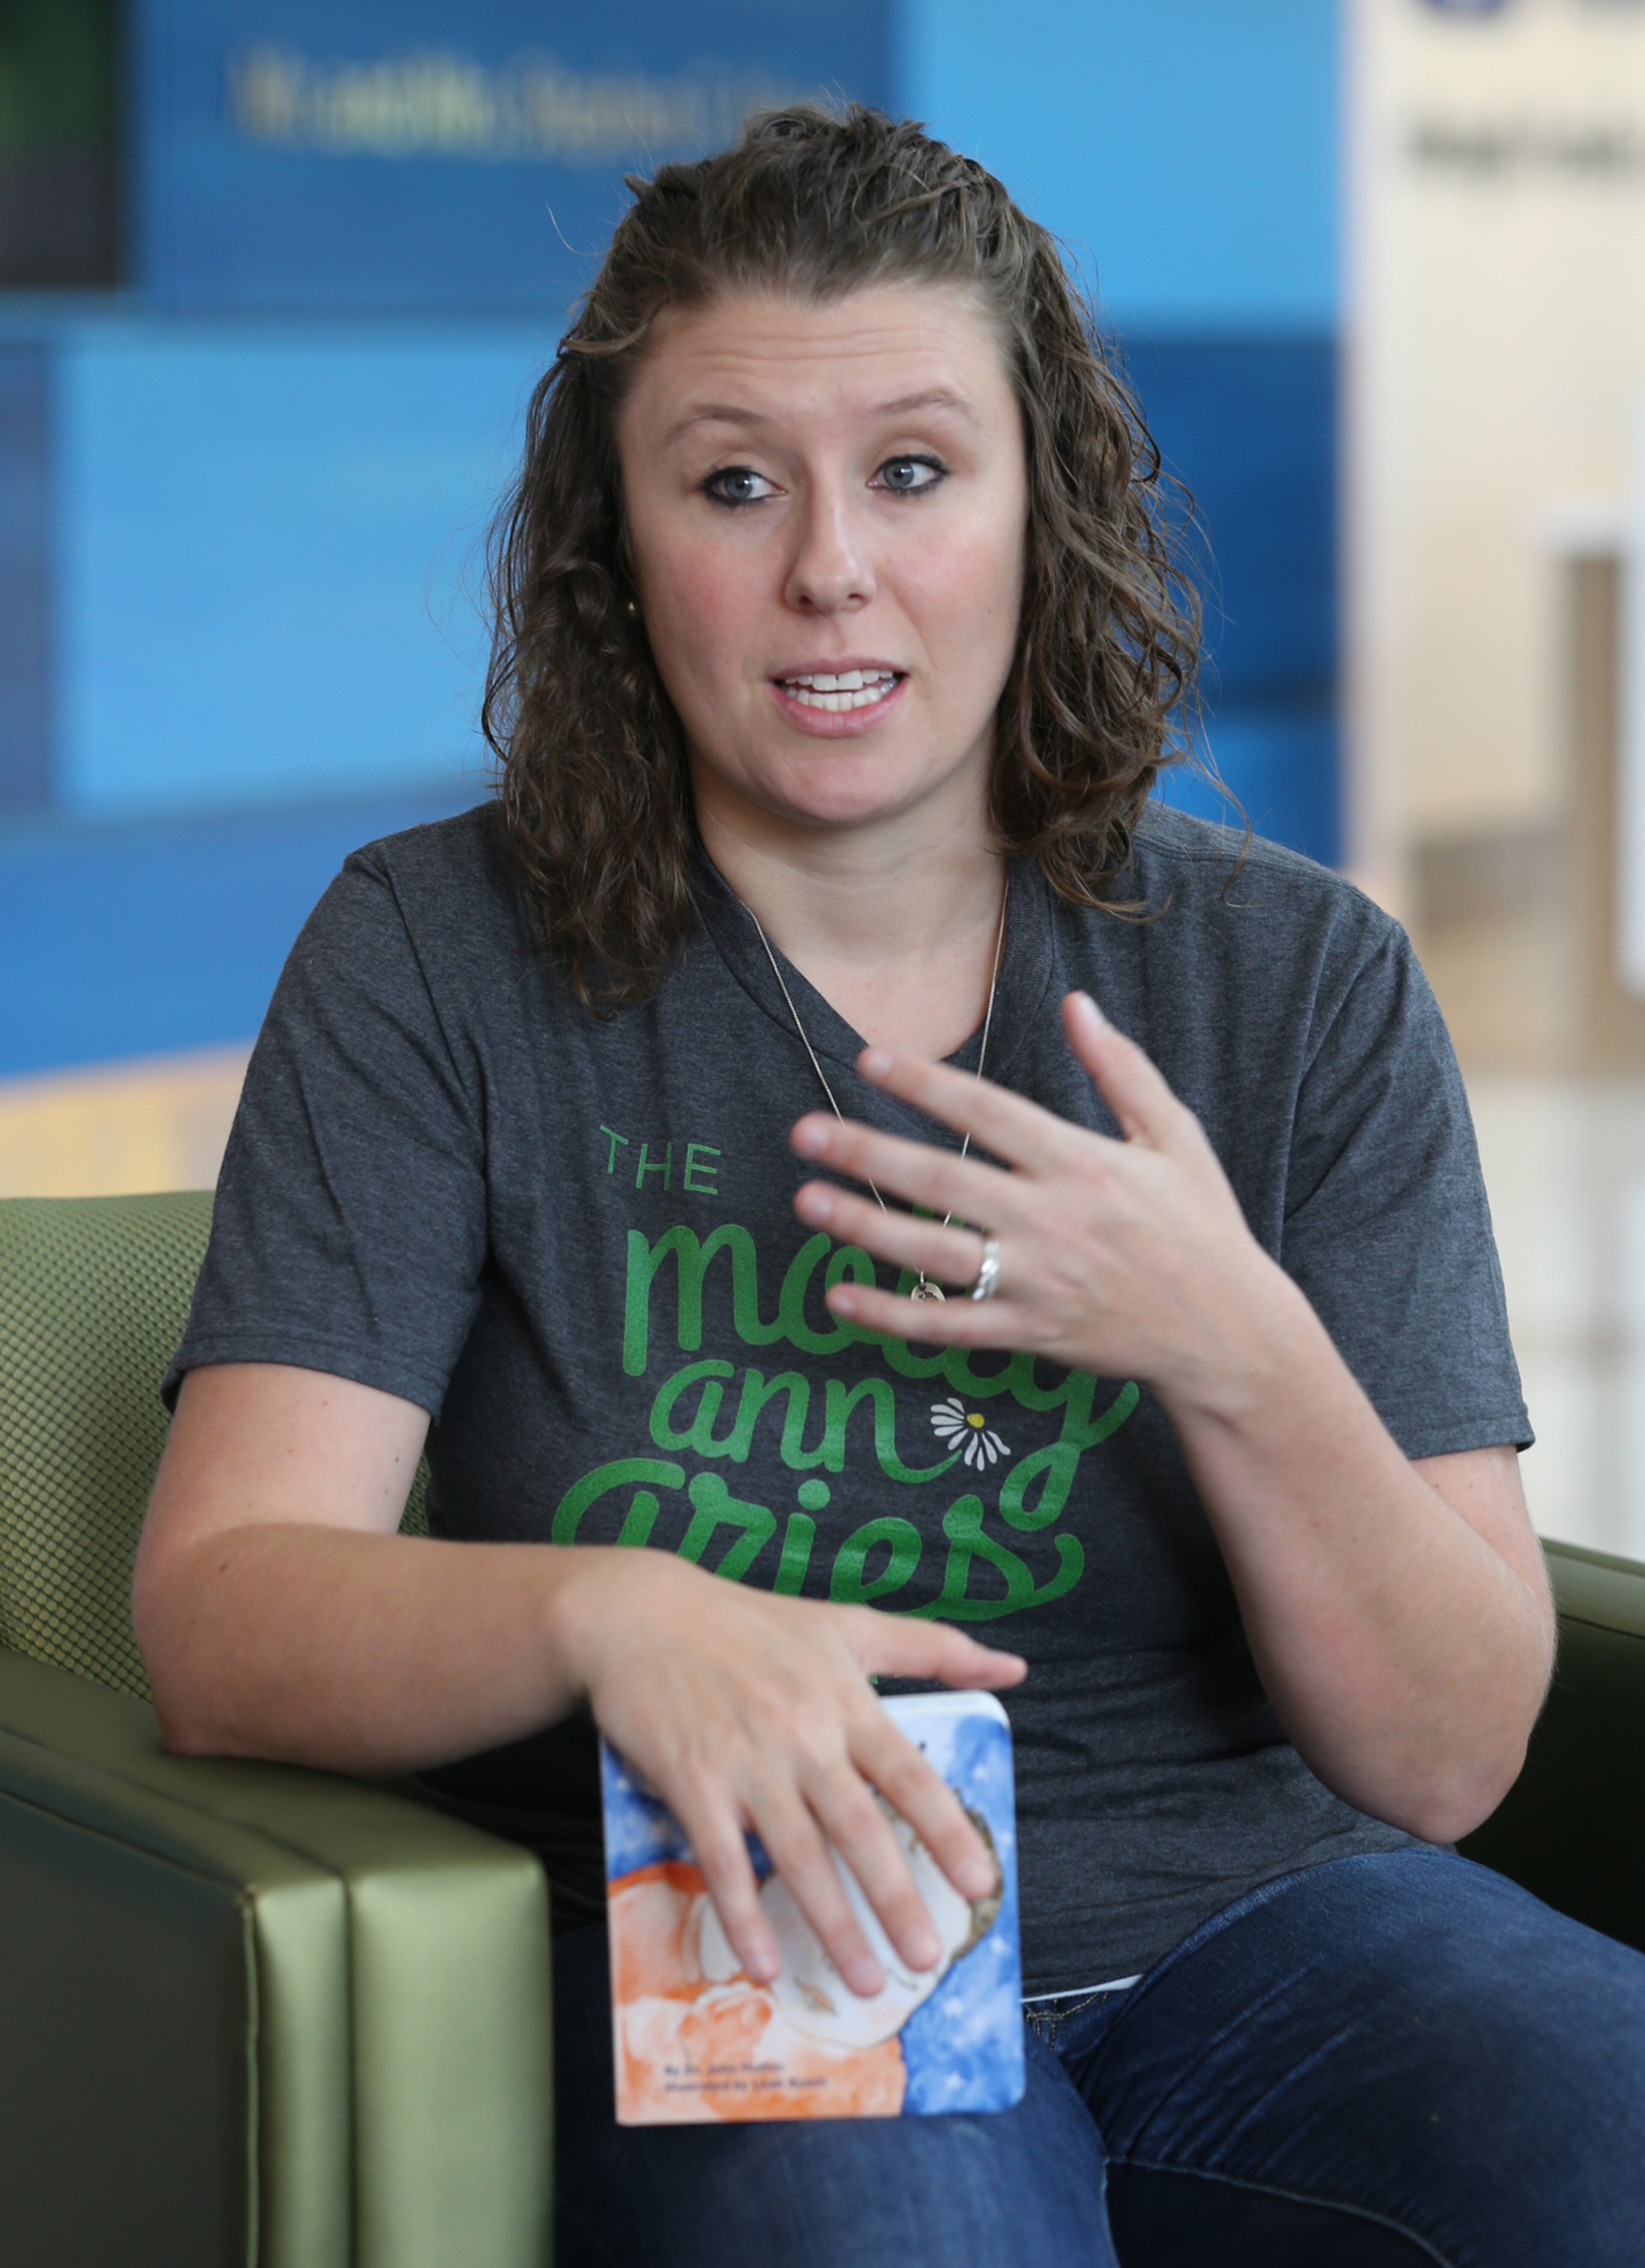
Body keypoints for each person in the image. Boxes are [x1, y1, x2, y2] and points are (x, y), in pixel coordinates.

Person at [133, 105, 1645, 2266]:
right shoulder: (432, 956)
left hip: (1267, 1912)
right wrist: (615, 1610)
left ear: (1045, 505)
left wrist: (1233, 1349)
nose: (830, 565)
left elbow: (1448, 1757)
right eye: (734, 481)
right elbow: (228, 1616)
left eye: (915, 472)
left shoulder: (1295, 977)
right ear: (618, 542)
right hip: (743, 1908)